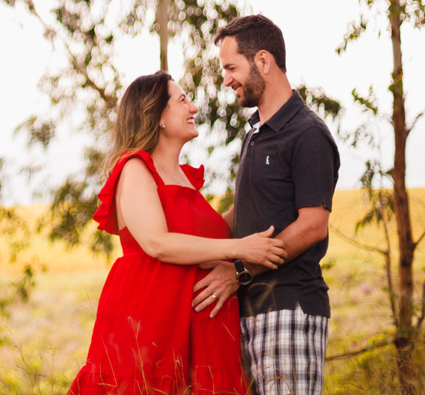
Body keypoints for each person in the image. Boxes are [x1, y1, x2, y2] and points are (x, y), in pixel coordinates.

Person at [69, 71, 288, 395]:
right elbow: (157, 243)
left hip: (200, 329)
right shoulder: (135, 168)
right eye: (183, 99)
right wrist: (240, 248)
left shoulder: (186, 179)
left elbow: (215, 232)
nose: (194, 107)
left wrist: (263, 185)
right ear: (156, 115)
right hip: (152, 321)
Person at [193, 14, 341, 395]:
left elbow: (312, 225)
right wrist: (182, 234)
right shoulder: (255, 133)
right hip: (247, 310)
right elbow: (241, 213)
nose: (226, 79)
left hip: (289, 306)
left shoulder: (307, 134)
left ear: (263, 61)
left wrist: (237, 271)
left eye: (231, 67)